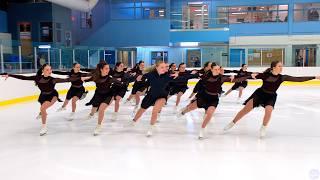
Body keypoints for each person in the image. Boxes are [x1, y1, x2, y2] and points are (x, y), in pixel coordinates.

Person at [223, 61, 320, 138]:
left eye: (282, 66)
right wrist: (236, 77)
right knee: (245, 110)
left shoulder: (282, 77)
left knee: (269, 111)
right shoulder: (265, 75)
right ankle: (232, 122)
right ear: (273, 67)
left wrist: (314, 77)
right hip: (260, 94)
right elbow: (246, 76)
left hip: (271, 96)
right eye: (279, 66)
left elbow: (298, 79)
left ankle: (263, 127)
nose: (281, 68)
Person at [2, 64, 89, 136]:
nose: (49, 71)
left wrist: (81, 78)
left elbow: (67, 79)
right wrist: (10, 75)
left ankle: (44, 127)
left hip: (53, 95)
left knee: (43, 109)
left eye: (50, 69)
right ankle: (42, 113)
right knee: (43, 109)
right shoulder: (38, 78)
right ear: (43, 71)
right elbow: (23, 78)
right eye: (47, 70)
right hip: (43, 96)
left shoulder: (53, 80)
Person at [177, 63, 256, 139]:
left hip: (213, 99)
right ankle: (183, 112)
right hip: (203, 97)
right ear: (211, 69)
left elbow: (237, 79)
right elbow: (190, 75)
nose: (218, 71)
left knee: (209, 113)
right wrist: (179, 74)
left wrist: (249, 76)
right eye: (216, 69)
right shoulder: (205, 76)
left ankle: (202, 129)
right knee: (190, 108)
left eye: (219, 69)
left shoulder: (222, 77)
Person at [129, 61, 178, 137]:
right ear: (156, 68)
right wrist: (137, 77)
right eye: (162, 67)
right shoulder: (150, 75)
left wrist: (177, 75)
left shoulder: (168, 76)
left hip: (162, 96)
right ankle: (134, 120)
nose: (164, 68)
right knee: (142, 109)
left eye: (165, 67)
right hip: (151, 95)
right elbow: (140, 77)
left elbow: (184, 77)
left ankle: (150, 128)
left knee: (155, 111)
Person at [85, 62, 125, 136]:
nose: (108, 70)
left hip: (108, 95)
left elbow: (121, 83)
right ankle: (91, 114)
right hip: (98, 94)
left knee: (101, 109)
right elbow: (88, 78)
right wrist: (83, 79)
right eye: (106, 68)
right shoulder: (96, 77)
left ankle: (98, 126)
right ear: (101, 69)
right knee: (94, 107)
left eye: (108, 68)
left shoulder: (110, 79)